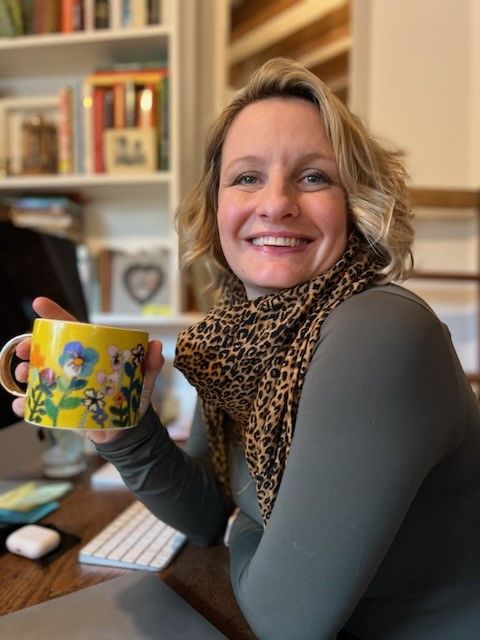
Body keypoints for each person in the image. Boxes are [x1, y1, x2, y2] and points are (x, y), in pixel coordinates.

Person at [11, 58, 480, 639]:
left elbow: (286, 620)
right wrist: (127, 432)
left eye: (314, 177)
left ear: (357, 204)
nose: (276, 203)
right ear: (215, 207)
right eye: (247, 177)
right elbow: (208, 514)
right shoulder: (237, 339)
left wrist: (248, 530)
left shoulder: (379, 333)